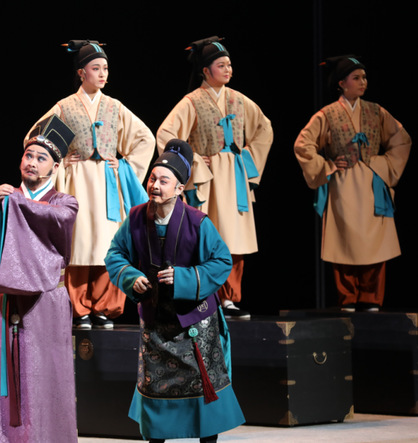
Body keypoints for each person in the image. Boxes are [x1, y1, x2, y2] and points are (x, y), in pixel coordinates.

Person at [105, 139, 245, 443]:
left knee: (202, 387)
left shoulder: (197, 222)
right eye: (152, 178)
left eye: (163, 181)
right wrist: (131, 277)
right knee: (156, 386)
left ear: (180, 188)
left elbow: (222, 261)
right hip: (155, 322)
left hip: (194, 321)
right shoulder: (136, 218)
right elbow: (115, 255)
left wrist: (185, 278)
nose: (155, 185)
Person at [0, 115, 79, 442]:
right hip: (8, 298)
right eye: (28, 155)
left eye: (41, 158)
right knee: (8, 372)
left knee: (47, 374)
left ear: (55, 167)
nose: (32, 163)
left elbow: (55, 218)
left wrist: (15, 203)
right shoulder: (6, 196)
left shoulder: (64, 202)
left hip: (46, 302)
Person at [27, 39, 155, 330]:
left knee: (108, 243)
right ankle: (78, 308)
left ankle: (104, 307)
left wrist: (125, 165)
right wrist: (59, 160)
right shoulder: (65, 106)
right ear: (81, 72)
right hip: (78, 181)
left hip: (107, 182)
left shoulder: (114, 106)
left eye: (105, 68)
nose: (102, 74)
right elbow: (35, 138)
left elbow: (144, 138)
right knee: (79, 243)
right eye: (96, 68)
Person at [156, 36, 273, 320]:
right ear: (206, 70)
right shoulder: (192, 101)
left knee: (235, 239)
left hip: (234, 178)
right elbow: (166, 134)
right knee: (207, 238)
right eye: (221, 65)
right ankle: (205, 296)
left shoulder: (239, 100)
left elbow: (264, 129)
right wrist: (193, 160)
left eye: (229, 64)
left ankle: (230, 298)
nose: (228, 69)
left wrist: (246, 158)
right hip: (208, 180)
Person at [294, 55, 411, 312]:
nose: (363, 82)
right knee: (344, 239)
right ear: (341, 83)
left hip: (371, 182)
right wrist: (328, 166)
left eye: (364, 78)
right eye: (356, 78)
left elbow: (401, 139)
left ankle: (370, 296)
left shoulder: (376, 111)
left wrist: (383, 164)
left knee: (375, 239)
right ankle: (347, 296)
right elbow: (303, 144)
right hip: (343, 184)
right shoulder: (328, 114)